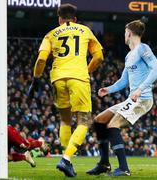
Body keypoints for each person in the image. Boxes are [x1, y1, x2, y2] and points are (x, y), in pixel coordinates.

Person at [28, 3, 104, 177]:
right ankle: (66, 159)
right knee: (84, 121)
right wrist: (87, 70)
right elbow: (99, 56)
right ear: (75, 19)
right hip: (78, 78)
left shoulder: (50, 34)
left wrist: (35, 81)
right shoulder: (85, 30)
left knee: (65, 121)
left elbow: (41, 60)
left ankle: (66, 157)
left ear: (59, 19)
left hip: (57, 79)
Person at [86, 20, 157, 176]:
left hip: (143, 99)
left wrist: (140, 89)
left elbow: (156, 69)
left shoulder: (143, 48)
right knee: (99, 121)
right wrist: (109, 89)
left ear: (129, 33)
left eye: (125, 32)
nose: (124, 35)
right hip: (131, 99)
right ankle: (104, 163)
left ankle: (123, 168)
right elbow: (124, 81)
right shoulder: (129, 56)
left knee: (113, 125)